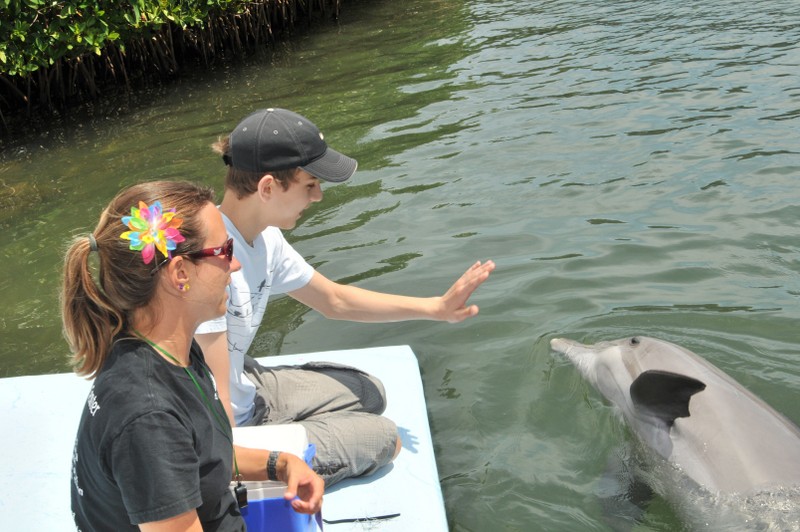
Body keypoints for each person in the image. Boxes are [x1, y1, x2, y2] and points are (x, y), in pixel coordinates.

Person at [196, 108, 495, 487]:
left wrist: (435, 308)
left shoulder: (266, 238)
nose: (319, 196)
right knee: (383, 438)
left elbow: (333, 300)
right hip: (225, 427)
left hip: (245, 388)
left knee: (372, 393)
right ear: (267, 187)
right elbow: (214, 405)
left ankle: (291, 426)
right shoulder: (209, 263)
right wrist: (260, 463)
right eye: (309, 185)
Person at [63, 180, 324, 531]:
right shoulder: (149, 417)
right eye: (225, 252)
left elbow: (199, 455)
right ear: (180, 273)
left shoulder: (170, 350)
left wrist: (280, 464)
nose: (235, 266)